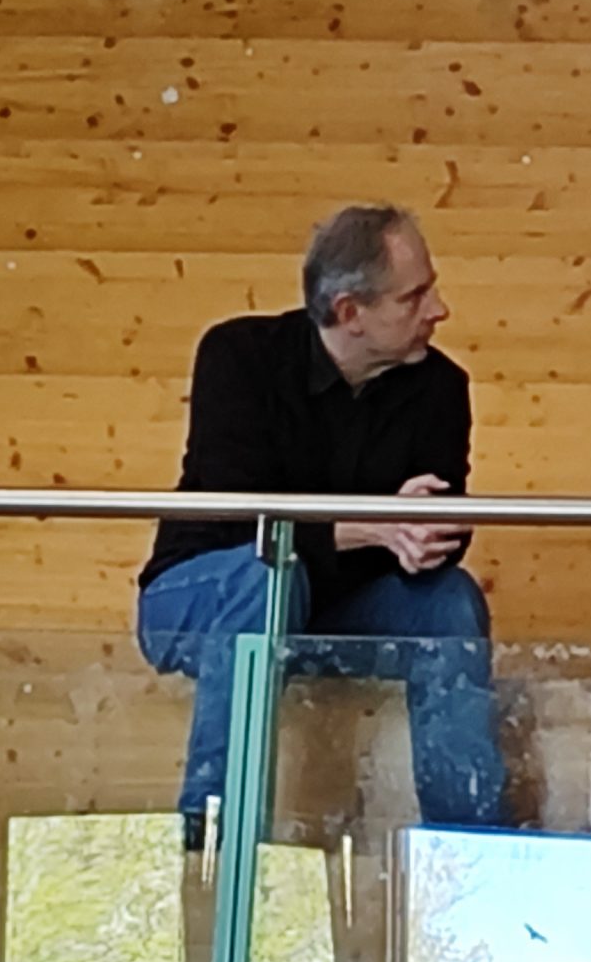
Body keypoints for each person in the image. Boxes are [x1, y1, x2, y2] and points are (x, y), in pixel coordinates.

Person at [136, 205, 508, 849]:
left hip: (339, 611)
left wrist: (425, 538)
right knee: (266, 577)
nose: (439, 310)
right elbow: (237, 516)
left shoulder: (441, 385)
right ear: (349, 311)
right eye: (414, 296)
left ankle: (467, 850)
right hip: (199, 596)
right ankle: (214, 840)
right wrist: (378, 526)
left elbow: (444, 527)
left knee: (451, 600)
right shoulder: (239, 355)